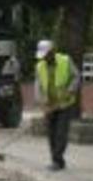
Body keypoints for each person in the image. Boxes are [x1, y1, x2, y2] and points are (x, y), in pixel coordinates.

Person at [34, 40, 80, 171]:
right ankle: (56, 160)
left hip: (65, 104)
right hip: (50, 104)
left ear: (52, 51)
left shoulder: (65, 60)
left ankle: (57, 161)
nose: (44, 58)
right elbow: (38, 86)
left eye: (46, 55)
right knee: (51, 134)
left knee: (61, 133)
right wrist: (42, 103)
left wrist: (70, 90)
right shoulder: (39, 66)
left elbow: (76, 76)